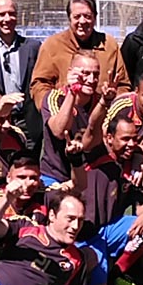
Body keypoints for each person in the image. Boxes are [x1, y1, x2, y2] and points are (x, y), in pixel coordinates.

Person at [75, 115, 143, 285]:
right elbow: (92, 129)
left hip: (107, 230)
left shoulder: (131, 165)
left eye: (135, 139)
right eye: (125, 138)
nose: (131, 144)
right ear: (109, 138)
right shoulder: (95, 153)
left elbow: (142, 198)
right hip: (80, 235)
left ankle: (116, 272)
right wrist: (104, 101)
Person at [29, 0, 129, 110]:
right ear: (69, 18)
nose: (82, 21)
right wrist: (53, 112)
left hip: (102, 118)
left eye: (87, 16)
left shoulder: (109, 45)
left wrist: (114, 109)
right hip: (66, 117)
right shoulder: (52, 46)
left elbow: (123, 85)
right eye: (77, 17)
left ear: (95, 18)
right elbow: (39, 85)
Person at [0, 0, 43, 153]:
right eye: (1, 14)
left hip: (27, 122)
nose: (7, 18)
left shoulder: (33, 47)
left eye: (11, 13)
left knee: (28, 169)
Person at [39, 50, 110, 186]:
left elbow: (101, 139)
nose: (91, 80)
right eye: (85, 74)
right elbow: (59, 131)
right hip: (56, 175)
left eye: (96, 74)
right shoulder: (54, 97)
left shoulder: (101, 101)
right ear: (71, 72)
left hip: (88, 174)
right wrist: (73, 92)